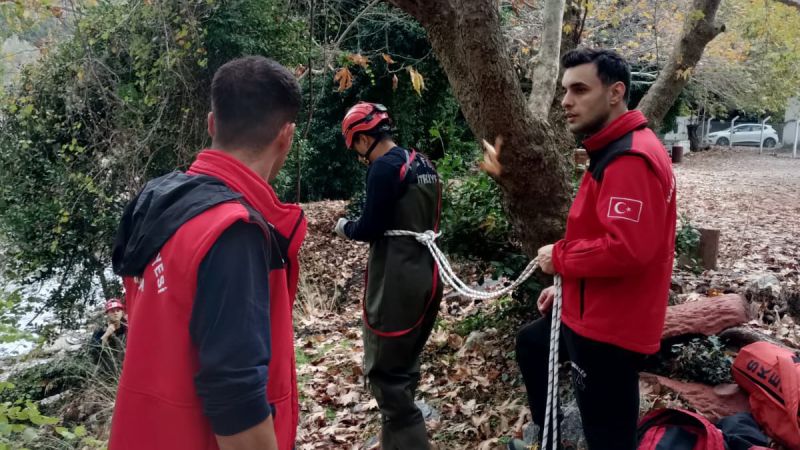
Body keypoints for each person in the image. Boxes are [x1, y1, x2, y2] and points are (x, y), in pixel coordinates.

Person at [109, 56, 305, 450]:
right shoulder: (231, 231)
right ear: (286, 135)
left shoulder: (157, 204)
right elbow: (237, 401)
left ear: (211, 123)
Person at [491, 48, 677, 449]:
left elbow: (627, 249)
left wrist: (558, 259)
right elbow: (604, 233)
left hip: (609, 330)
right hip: (594, 311)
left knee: (608, 436)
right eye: (564, 90)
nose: (566, 101)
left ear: (615, 93)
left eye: (579, 89)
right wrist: (567, 288)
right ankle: (551, 439)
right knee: (533, 343)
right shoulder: (612, 149)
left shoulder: (630, 158)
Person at [334, 102, 443, 449]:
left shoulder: (384, 168)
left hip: (397, 278)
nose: (358, 156)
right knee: (405, 365)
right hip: (428, 271)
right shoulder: (423, 163)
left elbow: (371, 227)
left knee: (386, 374)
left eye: (356, 148)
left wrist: (344, 227)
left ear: (364, 139)